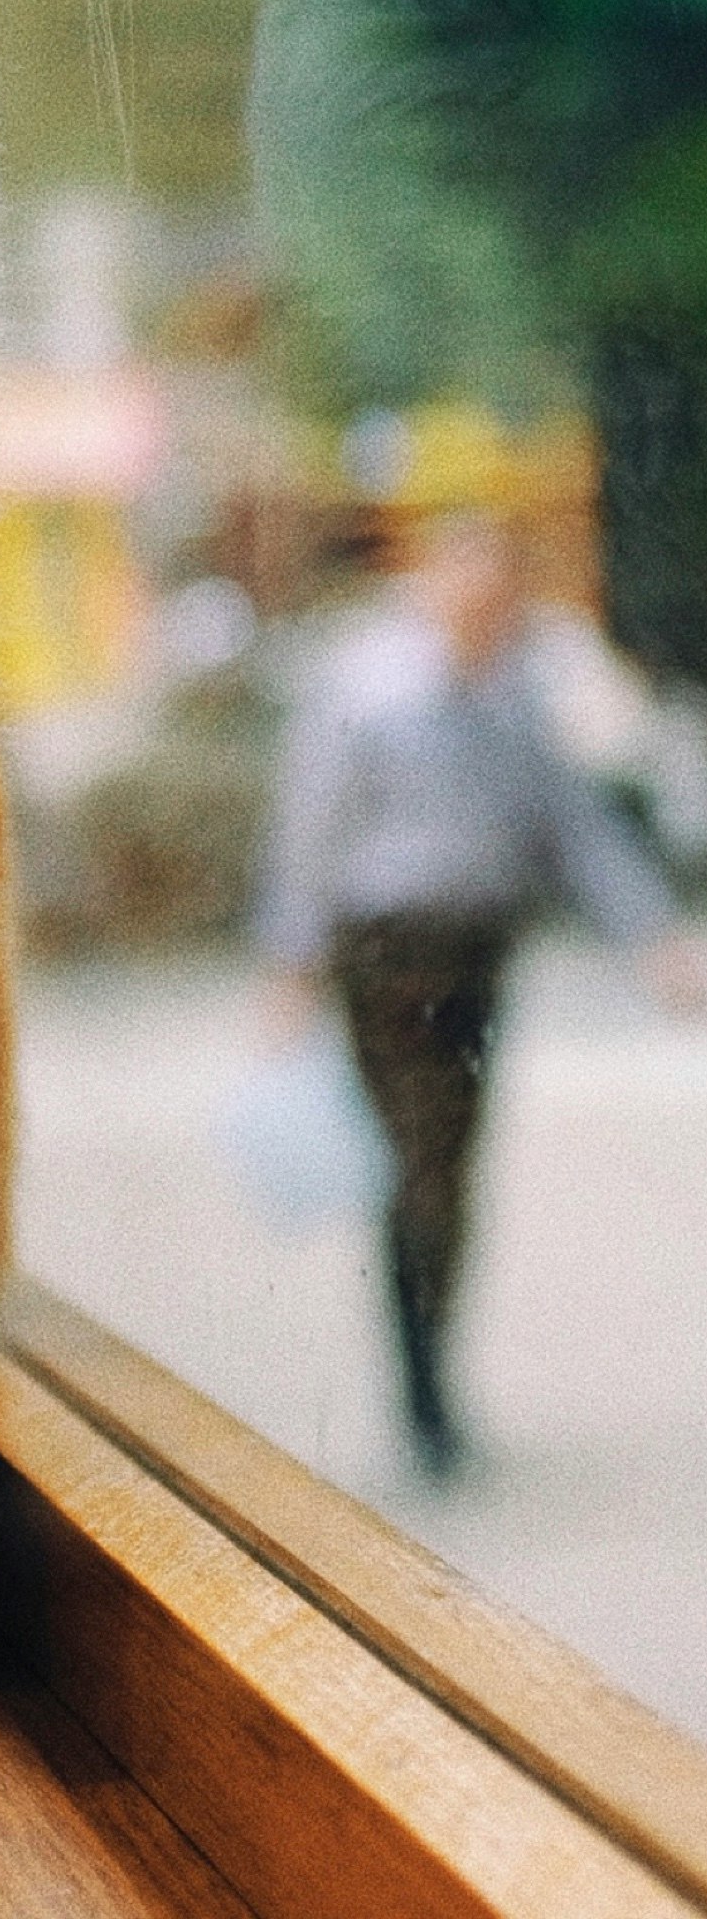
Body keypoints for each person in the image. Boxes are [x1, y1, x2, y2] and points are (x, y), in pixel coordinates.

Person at [255, 511, 705, 1474]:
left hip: (478, 951)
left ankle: (430, 1374)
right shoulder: (366, 686)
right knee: (421, 1162)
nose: (487, 614)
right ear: (431, 585)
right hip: (386, 954)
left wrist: (652, 938)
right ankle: (424, 1395)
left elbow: (571, 825)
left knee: (450, 1164)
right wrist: (288, 966)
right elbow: (310, 828)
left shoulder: (517, 692)